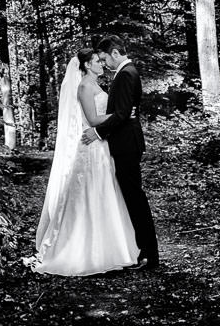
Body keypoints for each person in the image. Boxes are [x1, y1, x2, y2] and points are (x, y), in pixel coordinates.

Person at [29, 47, 140, 276]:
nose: (102, 64)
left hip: (101, 145)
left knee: (104, 192)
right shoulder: (84, 86)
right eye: (98, 61)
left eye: (102, 60)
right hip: (90, 147)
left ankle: (111, 247)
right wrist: (121, 114)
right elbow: (92, 119)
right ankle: (84, 250)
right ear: (87, 65)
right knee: (89, 193)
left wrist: (118, 113)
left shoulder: (97, 84)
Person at [81, 34, 160, 270]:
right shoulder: (125, 73)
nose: (104, 63)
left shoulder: (126, 74)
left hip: (126, 144)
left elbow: (124, 113)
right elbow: (126, 111)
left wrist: (97, 133)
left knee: (135, 199)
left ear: (115, 53)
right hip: (126, 142)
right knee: (133, 198)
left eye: (105, 58)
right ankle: (144, 252)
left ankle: (149, 255)